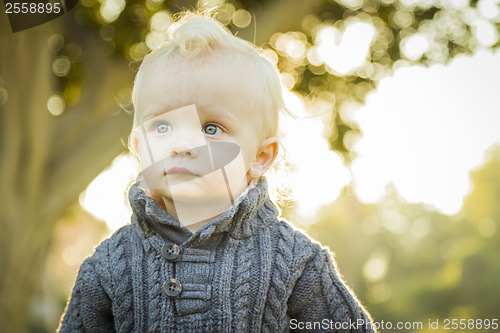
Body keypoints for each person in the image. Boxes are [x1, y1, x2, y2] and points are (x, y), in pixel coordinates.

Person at [59, 11, 376, 333]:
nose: (182, 144)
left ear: (260, 156)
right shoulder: (108, 266)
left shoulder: (296, 262)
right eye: (163, 126)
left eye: (212, 128)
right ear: (140, 149)